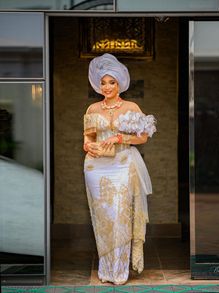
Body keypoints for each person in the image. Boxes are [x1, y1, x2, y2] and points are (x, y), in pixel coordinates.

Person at [83, 53, 156, 285]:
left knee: (120, 216)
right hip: (96, 167)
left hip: (123, 164)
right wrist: (88, 146)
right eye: (103, 82)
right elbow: (87, 138)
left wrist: (118, 137)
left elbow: (143, 138)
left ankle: (120, 270)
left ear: (120, 83)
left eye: (111, 82)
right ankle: (106, 269)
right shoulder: (92, 108)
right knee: (103, 217)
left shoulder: (131, 106)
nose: (107, 87)